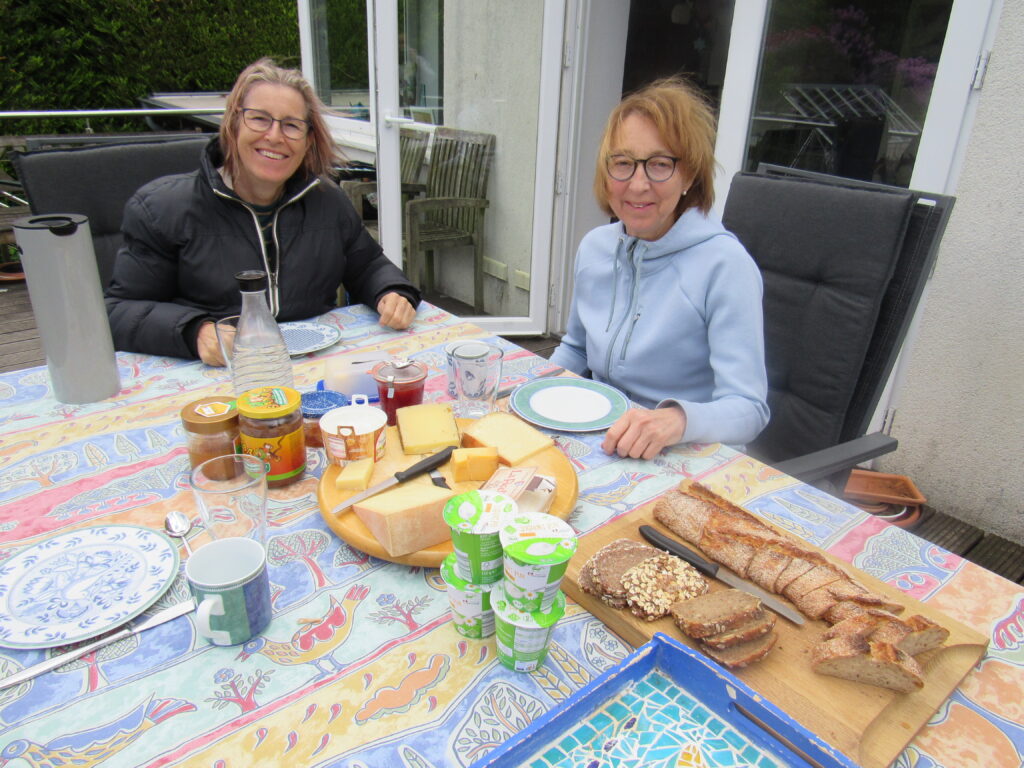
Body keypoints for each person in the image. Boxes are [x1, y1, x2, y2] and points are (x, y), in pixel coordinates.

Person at [105, 58, 419, 365]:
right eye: (259, 118)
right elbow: (117, 311)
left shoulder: (328, 202)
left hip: (316, 369)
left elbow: (368, 265)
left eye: (292, 125)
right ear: (232, 124)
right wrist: (194, 331)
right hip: (220, 376)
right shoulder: (161, 209)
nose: (274, 136)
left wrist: (390, 292)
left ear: (308, 141)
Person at [550, 77, 769, 460]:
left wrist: (675, 420)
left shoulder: (725, 267)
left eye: (660, 164)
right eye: (623, 163)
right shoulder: (594, 248)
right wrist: (532, 390)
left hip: (682, 453)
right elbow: (576, 348)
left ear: (689, 175)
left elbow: (749, 409)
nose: (637, 185)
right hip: (601, 438)